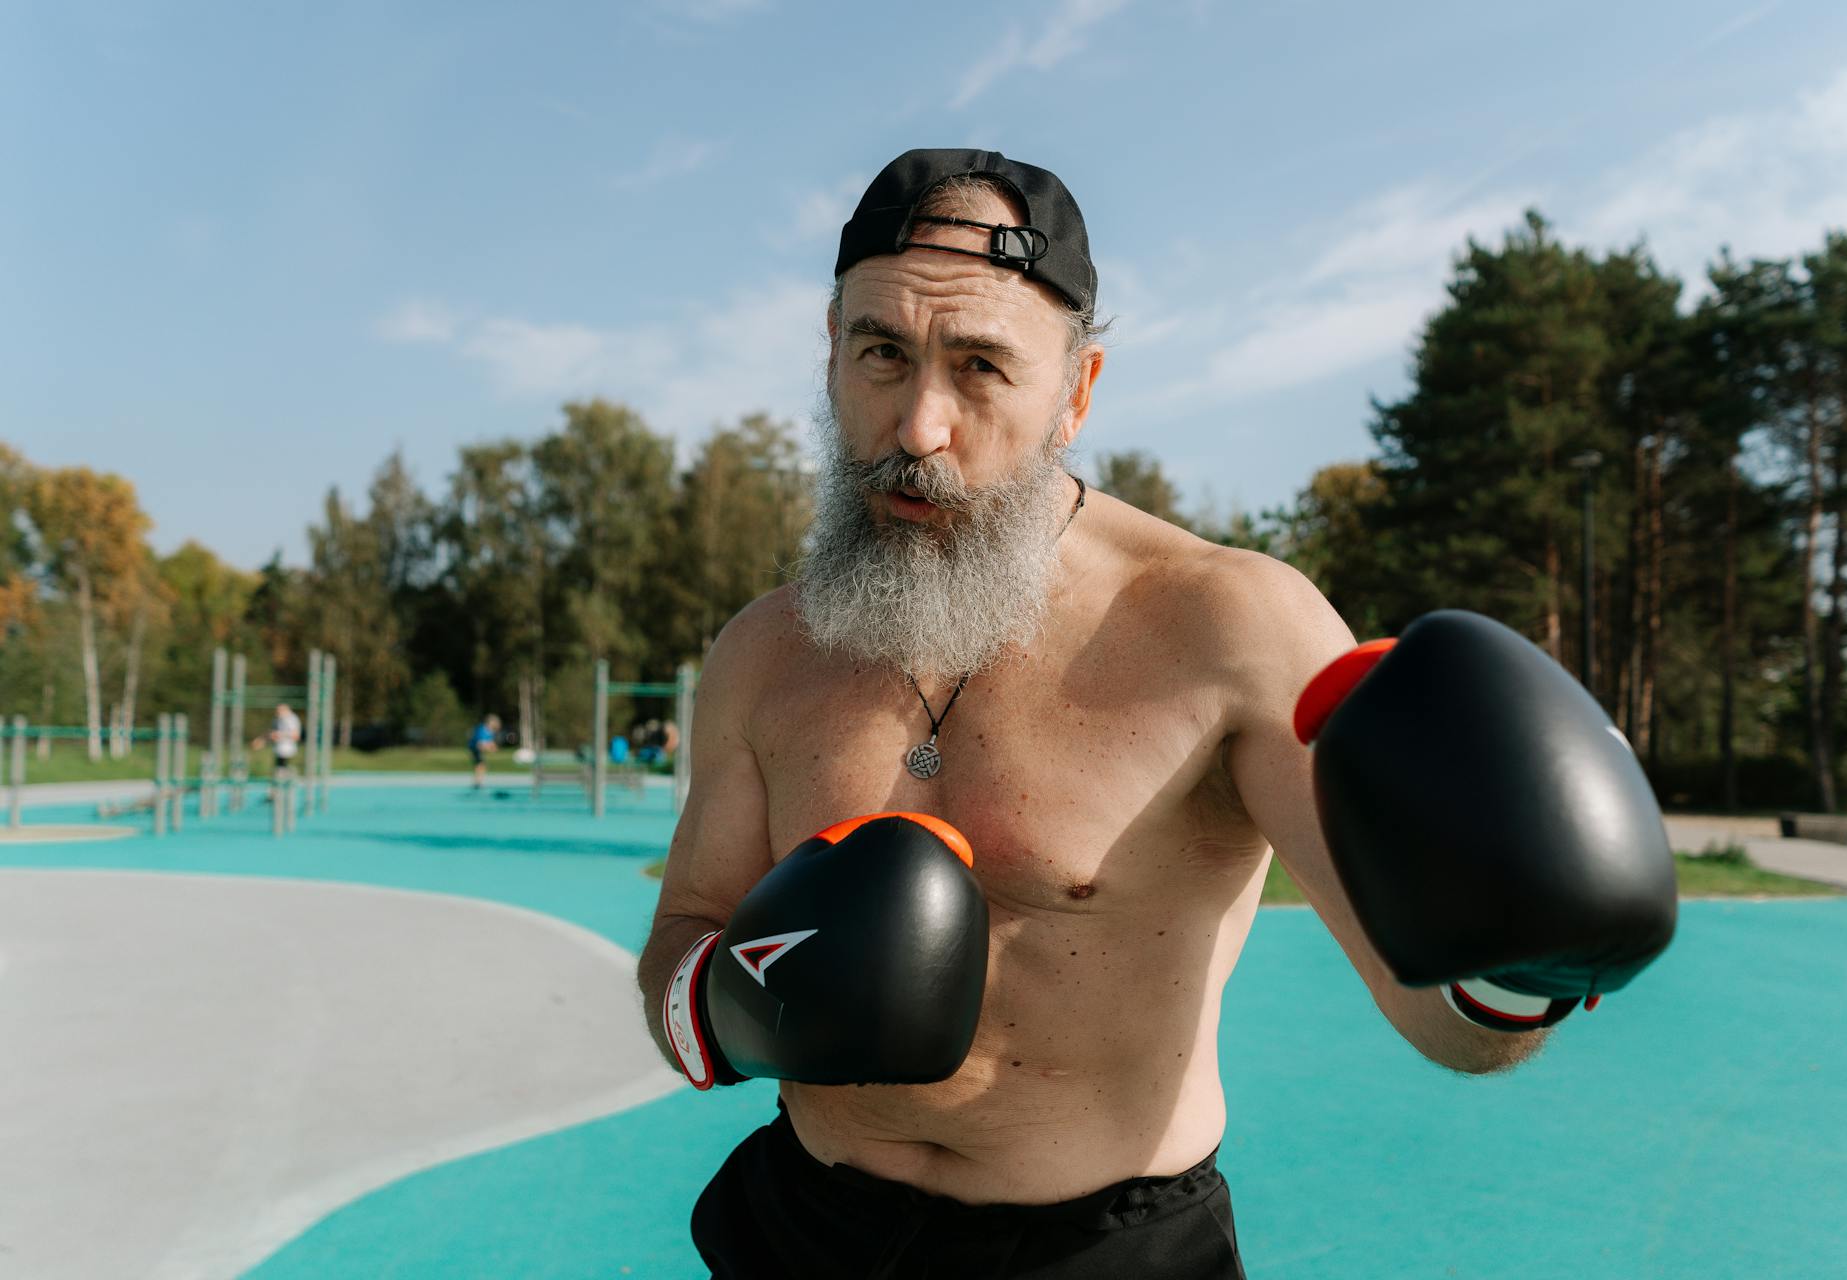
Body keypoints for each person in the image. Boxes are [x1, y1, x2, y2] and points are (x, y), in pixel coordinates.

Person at [637, 150, 1673, 1279]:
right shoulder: (764, 649)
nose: (917, 426)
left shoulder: (1227, 626)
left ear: (1077, 393)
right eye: (880, 352)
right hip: (805, 1231)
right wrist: (733, 1002)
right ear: (830, 346)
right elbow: (684, 935)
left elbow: (1439, 1021)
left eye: (980, 366)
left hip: (1108, 1252)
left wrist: (1524, 962)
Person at [250, 703, 301, 781]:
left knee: (281, 771)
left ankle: (286, 784)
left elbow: (296, 735)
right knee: (278, 771)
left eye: (279, 710)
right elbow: (272, 733)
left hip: (287, 750)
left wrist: (279, 735)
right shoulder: (277, 719)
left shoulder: (292, 719)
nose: (277, 712)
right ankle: (280, 786)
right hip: (279, 749)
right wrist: (261, 739)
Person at [468, 714, 500, 789]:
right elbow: (480, 744)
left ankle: (477, 782)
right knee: (481, 765)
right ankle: (477, 782)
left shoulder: (490, 731)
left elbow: (489, 741)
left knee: (480, 765)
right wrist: (490, 748)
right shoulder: (482, 730)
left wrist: (492, 746)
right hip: (474, 748)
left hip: (476, 747)